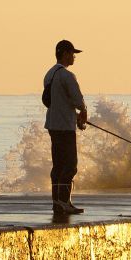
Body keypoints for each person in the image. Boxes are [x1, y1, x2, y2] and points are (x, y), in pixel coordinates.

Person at [44, 39, 88, 214]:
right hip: (64, 126)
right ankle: (64, 202)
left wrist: (74, 115)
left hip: (53, 125)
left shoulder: (49, 74)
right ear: (64, 54)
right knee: (70, 165)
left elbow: (54, 101)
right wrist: (83, 112)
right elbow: (78, 100)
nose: (74, 57)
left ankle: (57, 202)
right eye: (72, 53)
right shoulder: (67, 76)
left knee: (58, 165)